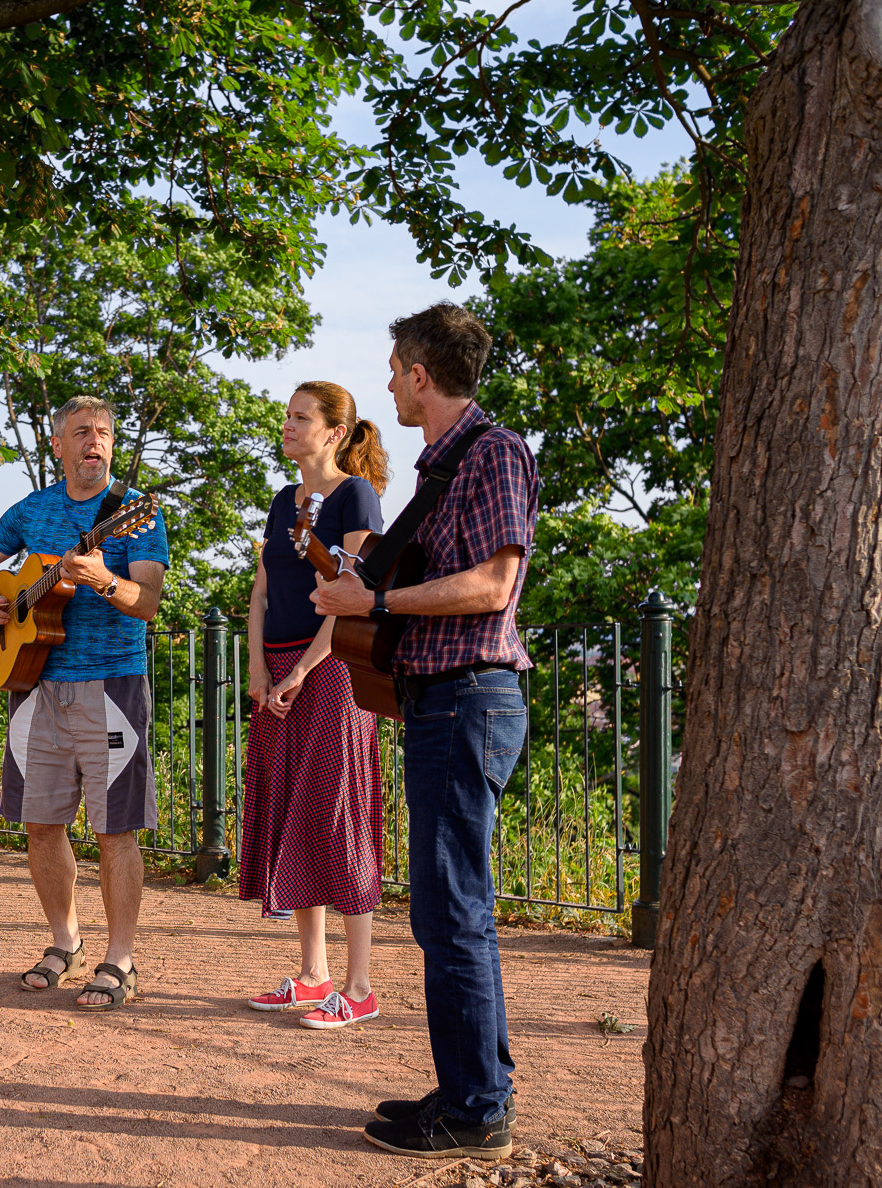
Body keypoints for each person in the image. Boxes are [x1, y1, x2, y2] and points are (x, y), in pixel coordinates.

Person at [313, 302, 538, 1161]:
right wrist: (379, 561)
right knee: (448, 909)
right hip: (443, 701)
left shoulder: (493, 453)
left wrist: (373, 597)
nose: (389, 385)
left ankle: (479, 1109)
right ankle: (468, 1088)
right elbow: (445, 572)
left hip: (469, 698)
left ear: (418, 373)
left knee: (454, 911)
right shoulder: (444, 465)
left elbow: (489, 586)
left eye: (394, 367)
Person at [0, 395, 170, 1010]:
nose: (94, 442)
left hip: (111, 686)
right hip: (33, 686)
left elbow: (149, 600)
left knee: (115, 830)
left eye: (103, 432)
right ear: (58, 445)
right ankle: (65, 942)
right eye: (81, 432)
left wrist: (104, 579)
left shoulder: (134, 513)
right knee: (41, 825)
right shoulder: (33, 509)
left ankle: (121, 958)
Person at [240, 380, 389, 1030]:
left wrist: (301, 669)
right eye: (287, 416)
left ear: (334, 432)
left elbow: (353, 593)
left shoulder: (357, 495)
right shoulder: (282, 501)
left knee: (338, 814)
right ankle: (312, 976)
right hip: (276, 671)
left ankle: (359, 988)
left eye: (302, 418)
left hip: (332, 673)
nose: (289, 426)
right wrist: (257, 668)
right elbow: (261, 591)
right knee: (293, 813)